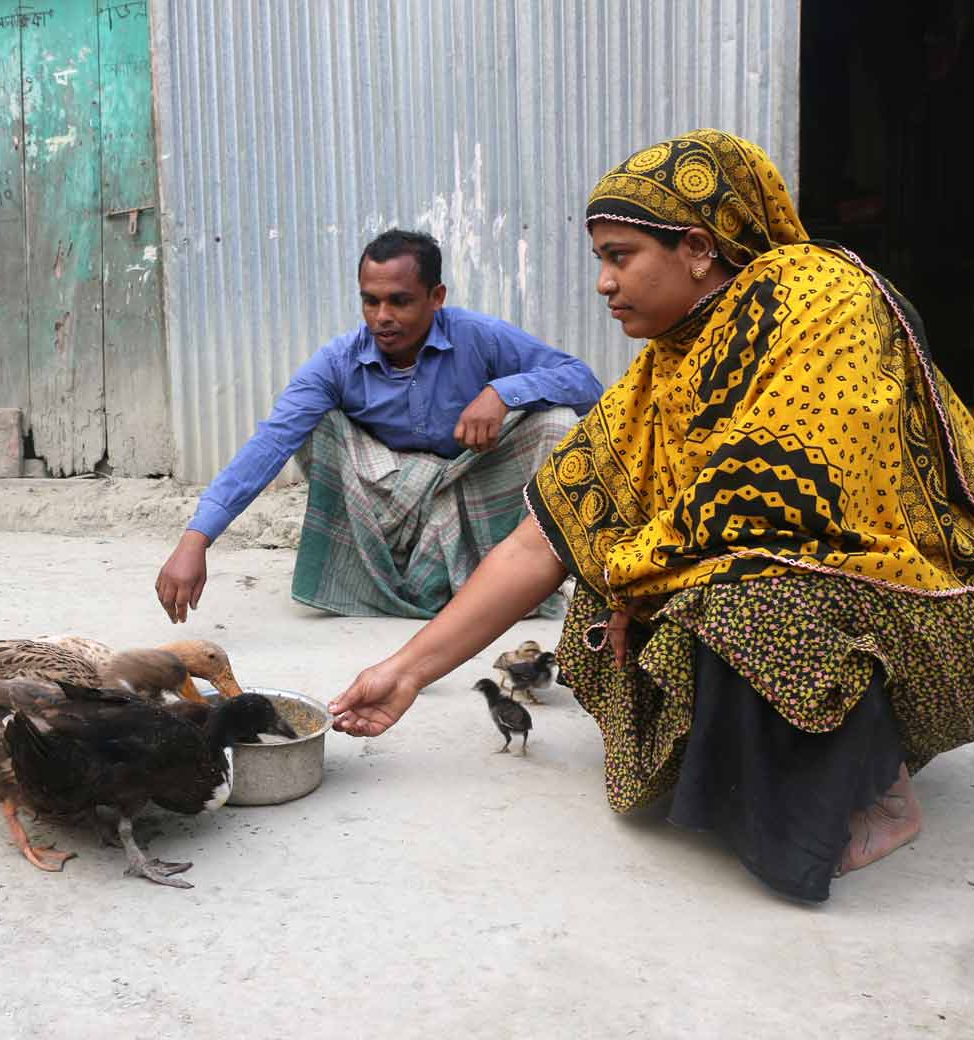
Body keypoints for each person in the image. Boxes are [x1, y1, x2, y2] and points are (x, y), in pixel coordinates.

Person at [329, 129, 974, 902]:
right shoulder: (668, 364)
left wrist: (633, 569)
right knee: (608, 598)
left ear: (698, 248)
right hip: (792, 580)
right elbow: (544, 539)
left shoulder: (818, 295)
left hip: (921, 608)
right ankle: (794, 758)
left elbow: (772, 488)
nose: (603, 283)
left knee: (747, 601)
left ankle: (881, 787)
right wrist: (403, 673)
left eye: (619, 255)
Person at [155, 229, 603, 624]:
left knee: (557, 424)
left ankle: (516, 577)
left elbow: (585, 383)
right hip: (390, 502)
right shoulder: (337, 361)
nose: (382, 316)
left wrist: (504, 393)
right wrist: (197, 538)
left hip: (474, 483)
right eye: (371, 301)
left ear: (437, 296)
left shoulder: (478, 336)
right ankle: (390, 578)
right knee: (315, 425)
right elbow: (271, 442)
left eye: (400, 301)